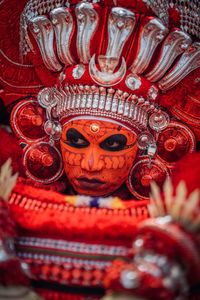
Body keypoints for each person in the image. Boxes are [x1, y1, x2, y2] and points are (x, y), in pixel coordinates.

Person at [0, 0, 199, 299]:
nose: (92, 164)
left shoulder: (185, 199)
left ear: (146, 146)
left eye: (113, 145)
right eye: (76, 141)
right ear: (53, 135)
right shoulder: (11, 180)